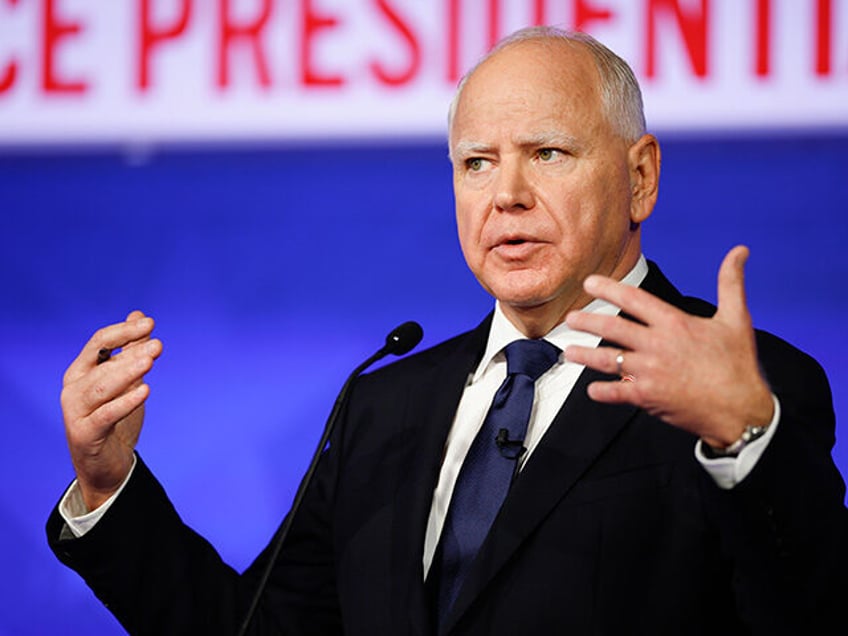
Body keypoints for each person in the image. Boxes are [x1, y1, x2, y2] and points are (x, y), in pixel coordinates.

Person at [48, 26, 847, 635]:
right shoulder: (385, 406)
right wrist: (109, 488)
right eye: (476, 163)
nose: (508, 194)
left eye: (548, 152)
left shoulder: (747, 386)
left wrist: (745, 440)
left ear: (640, 176)